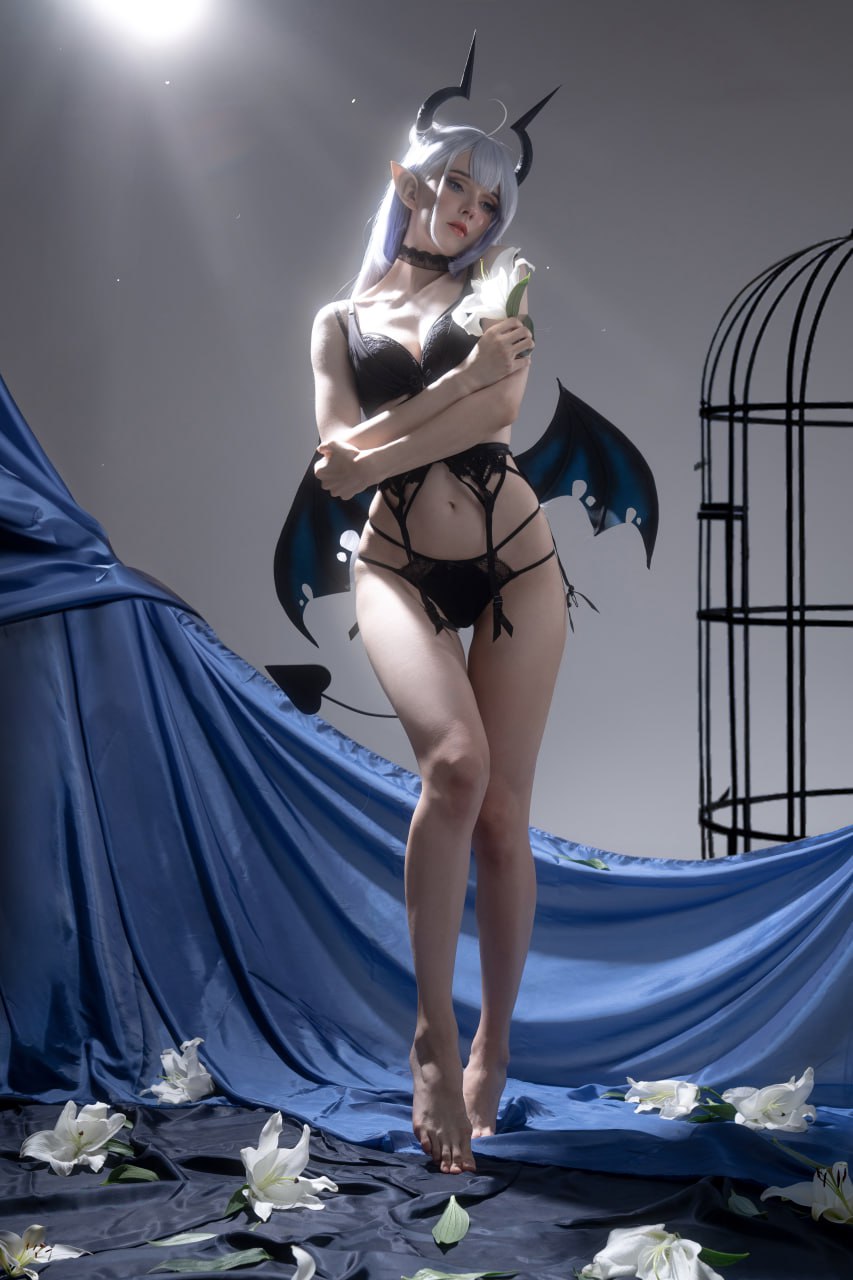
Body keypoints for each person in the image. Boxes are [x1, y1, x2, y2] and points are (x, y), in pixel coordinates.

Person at [310, 73, 566, 1175]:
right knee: (453, 769)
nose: (469, 212)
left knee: (503, 816)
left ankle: (494, 1043)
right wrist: (435, 404)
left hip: (519, 566)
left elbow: (497, 413)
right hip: (395, 567)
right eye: (456, 186)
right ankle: (433, 1037)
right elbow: (333, 469)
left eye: (487, 202)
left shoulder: (500, 287)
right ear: (410, 180)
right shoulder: (337, 322)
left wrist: (382, 438)